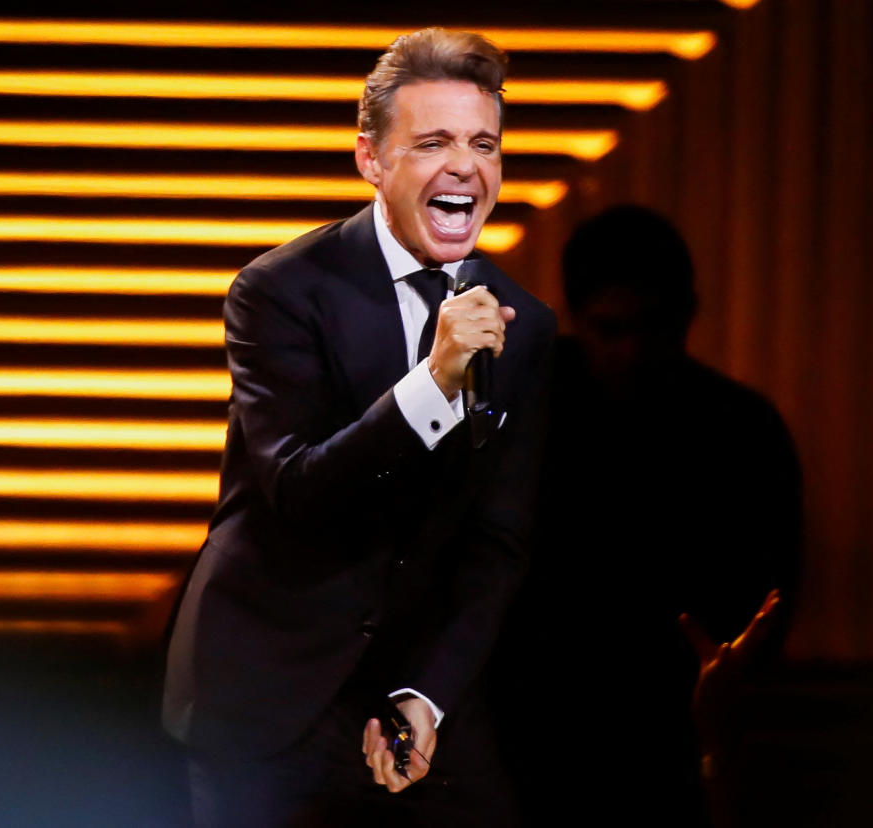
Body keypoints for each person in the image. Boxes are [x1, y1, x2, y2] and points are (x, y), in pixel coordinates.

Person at [162, 28, 555, 828]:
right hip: (269, 695)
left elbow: (498, 543)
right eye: (434, 141)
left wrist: (427, 695)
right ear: (372, 160)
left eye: (484, 144)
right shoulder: (278, 293)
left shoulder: (523, 325)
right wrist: (434, 382)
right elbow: (298, 491)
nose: (465, 167)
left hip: (414, 696)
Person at [491, 205, 802, 827]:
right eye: (612, 330)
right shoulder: (512, 415)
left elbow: (767, 601)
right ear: (577, 319)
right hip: (545, 735)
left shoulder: (741, 432)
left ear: (685, 316)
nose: (632, 351)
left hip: (651, 737)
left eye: (650, 328)